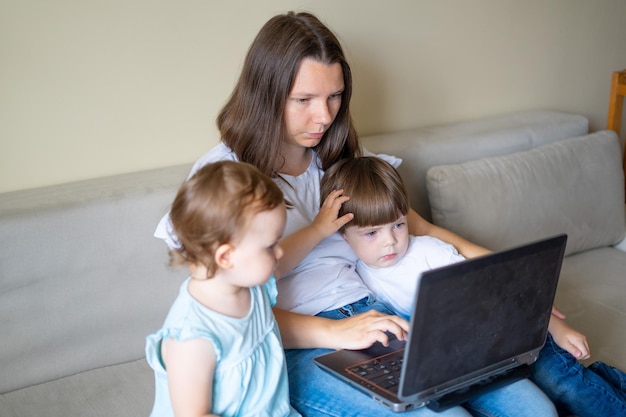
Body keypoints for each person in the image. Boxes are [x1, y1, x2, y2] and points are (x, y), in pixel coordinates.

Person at [154, 11, 559, 417]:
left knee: (534, 409)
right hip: (305, 341)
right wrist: (337, 331)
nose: (325, 116)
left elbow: (423, 229)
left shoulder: (341, 159)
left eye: (335, 97)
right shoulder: (224, 177)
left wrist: (514, 282)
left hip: (375, 312)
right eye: (304, 100)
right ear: (265, 93)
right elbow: (224, 309)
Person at [320, 155, 626, 417]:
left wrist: (555, 327)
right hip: (464, 354)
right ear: (343, 236)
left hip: (504, 328)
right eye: (372, 233)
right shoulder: (356, 275)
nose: (389, 241)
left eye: (398, 225)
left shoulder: (428, 251)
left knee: (567, 385)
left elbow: (495, 290)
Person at [146, 161, 300, 417]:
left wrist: (320, 229)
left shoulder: (252, 286)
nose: (280, 251)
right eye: (271, 246)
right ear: (226, 257)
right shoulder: (192, 337)